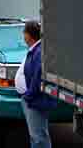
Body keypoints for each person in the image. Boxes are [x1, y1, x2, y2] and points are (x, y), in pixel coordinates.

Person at [16, 19, 55, 148]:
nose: (23, 36)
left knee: (39, 137)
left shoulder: (38, 52)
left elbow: (37, 79)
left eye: (24, 32)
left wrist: (28, 97)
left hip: (35, 102)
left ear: (28, 35)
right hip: (32, 100)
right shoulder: (36, 49)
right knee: (35, 136)